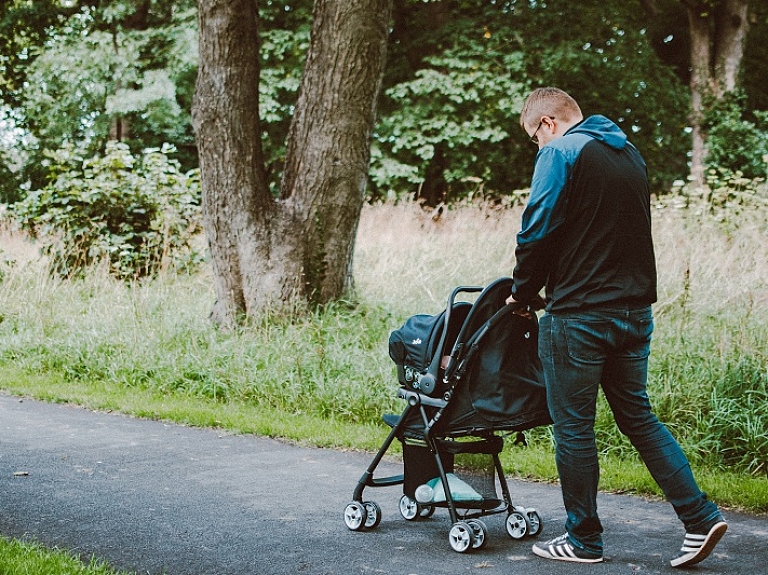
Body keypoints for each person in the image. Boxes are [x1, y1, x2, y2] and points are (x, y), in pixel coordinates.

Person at [506, 87, 727, 567]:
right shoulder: (629, 154)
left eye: (533, 139)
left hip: (579, 317)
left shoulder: (561, 151)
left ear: (547, 123)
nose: (537, 148)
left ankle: (583, 541)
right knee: (639, 418)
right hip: (633, 314)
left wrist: (523, 294)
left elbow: (536, 228)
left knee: (574, 431)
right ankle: (700, 517)